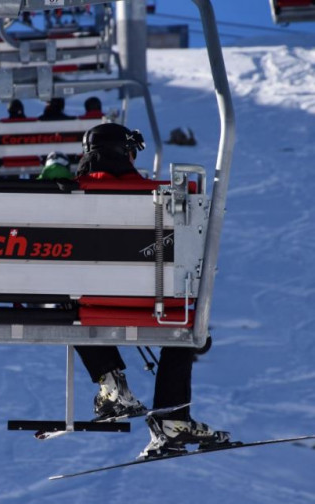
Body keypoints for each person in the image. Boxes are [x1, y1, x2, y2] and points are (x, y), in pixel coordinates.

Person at [76, 122, 230, 458]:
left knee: (65, 300)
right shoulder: (155, 196)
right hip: (154, 304)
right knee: (181, 322)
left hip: (86, 303)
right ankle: (172, 417)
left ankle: (110, 378)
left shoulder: (72, 194)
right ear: (126, 154)